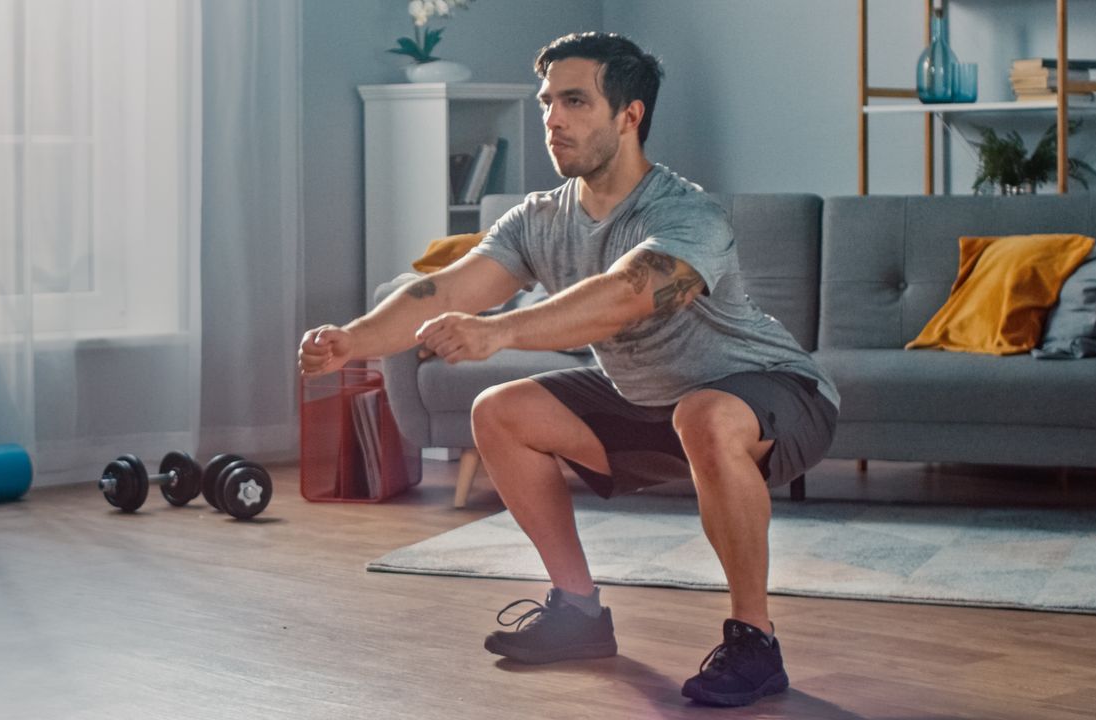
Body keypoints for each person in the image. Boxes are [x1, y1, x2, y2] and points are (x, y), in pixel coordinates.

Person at [298, 32, 838, 708]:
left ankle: (754, 642)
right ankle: (578, 614)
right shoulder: (541, 219)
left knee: (701, 412)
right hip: (649, 402)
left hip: (774, 392)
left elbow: (628, 295)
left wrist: (501, 330)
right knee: (500, 410)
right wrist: (351, 340)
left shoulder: (687, 213)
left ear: (629, 115)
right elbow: (448, 288)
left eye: (575, 101)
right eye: (548, 101)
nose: (553, 118)